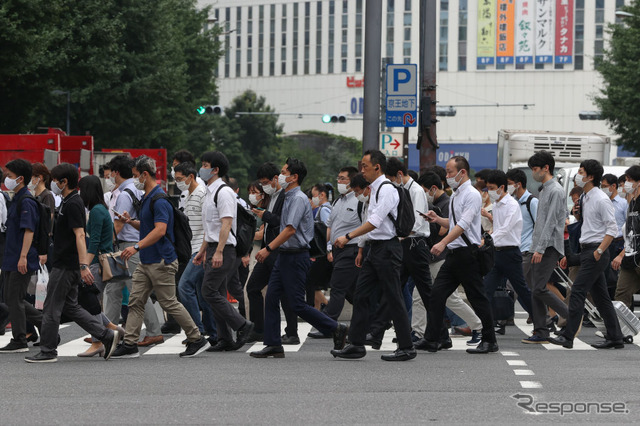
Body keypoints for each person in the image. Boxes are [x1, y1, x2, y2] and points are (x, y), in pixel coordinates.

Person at [111, 155, 209, 358]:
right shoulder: (148, 197)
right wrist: (130, 222)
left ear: (145, 174)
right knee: (136, 301)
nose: (135, 180)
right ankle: (130, 343)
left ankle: (196, 338)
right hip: (148, 261)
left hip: (161, 260)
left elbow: (160, 230)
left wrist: (136, 247)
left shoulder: (159, 199)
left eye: (137, 176)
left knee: (169, 302)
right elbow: (149, 226)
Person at [250, 157, 347, 359]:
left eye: (285, 172)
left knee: (296, 304)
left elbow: (290, 230)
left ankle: (335, 327)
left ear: (294, 177)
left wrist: (267, 248)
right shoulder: (287, 196)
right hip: (285, 256)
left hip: (295, 256)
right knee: (272, 298)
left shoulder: (297, 198)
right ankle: (273, 344)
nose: (281, 175)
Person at [25, 163, 120, 363]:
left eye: (54, 181)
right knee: (71, 307)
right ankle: (105, 335)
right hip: (67, 263)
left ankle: (48, 350)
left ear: (64, 182)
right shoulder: (69, 201)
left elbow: (79, 236)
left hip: (66, 265)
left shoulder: (74, 203)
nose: (52, 184)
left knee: (51, 308)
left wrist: (83, 265)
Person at [330, 150, 415, 361]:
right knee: (361, 296)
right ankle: (356, 344)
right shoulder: (373, 190)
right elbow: (369, 224)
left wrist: (348, 237)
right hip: (374, 248)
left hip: (388, 249)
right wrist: (361, 247)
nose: (362, 170)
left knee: (394, 297)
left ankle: (406, 347)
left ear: (377, 167)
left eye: (365, 166)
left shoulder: (387, 190)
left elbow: (375, 222)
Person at [422, 156, 498, 354]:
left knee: (477, 298)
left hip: (467, 254)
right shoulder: (456, 194)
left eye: (450, 172)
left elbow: (463, 225)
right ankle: (434, 339)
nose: (447, 177)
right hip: (455, 254)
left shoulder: (471, 194)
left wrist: (442, 242)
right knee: (436, 295)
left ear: (462, 172)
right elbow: (455, 222)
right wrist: (437, 219)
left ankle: (490, 340)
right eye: (447, 172)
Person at [549, 160, 624, 349]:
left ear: (590, 177)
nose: (577, 176)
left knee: (577, 292)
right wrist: (578, 216)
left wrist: (599, 251)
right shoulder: (585, 197)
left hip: (596, 251)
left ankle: (568, 336)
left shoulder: (600, 198)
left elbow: (612, 229)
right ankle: (615, 337)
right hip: (586, 250)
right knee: (601, 298)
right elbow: (590, 225)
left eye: (581, 172)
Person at [412, 172, 483, 346]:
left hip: (443, 256)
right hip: (433, 256)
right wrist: (434, 219)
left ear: (433, 188)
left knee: (451, 299)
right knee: (420, 297)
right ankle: (421, 333)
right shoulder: (443, 202)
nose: (423, 194)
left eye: (424, 191)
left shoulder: (448, 202)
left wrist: (435, 228)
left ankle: (478, 327)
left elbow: (451, 228)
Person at [194, 151, 254, 352]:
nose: (201, 168)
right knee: (217, 291)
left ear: (215, 169)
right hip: (213, 247)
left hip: (225, 249)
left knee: (208, 291)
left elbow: (226, 224)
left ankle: (242, 325)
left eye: (205, 164)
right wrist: (203, 251)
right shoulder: (210, 192)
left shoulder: (224, 192)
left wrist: (218, 251)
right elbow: (209, 227)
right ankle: (225, 338)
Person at [105, 154, 163, 347]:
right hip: (130, 246)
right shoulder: (135, 190)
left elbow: (118, 225)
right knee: (113, 289)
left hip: (127, 248)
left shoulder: (125, 193)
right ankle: (106, 331)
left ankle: (154, 331)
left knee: (137, 292)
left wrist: (104, 246)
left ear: (116, 172)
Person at [245, 162, 299, 344]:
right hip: (267, 249)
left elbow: (284, 223)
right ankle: (258, 328)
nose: (264, 186)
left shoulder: (286, 196)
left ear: (277, 178)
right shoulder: (272, 196)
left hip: (278, 249)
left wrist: (264, 215)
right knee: (253, 287)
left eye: (266, 182)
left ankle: (292, 332)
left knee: (284, 293)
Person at [522, 151, 569, 344]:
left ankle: (570, 314)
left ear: (546, 168)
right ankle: (541, 331)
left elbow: (551, 223)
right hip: (539, 245)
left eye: (535, 169)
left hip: (548, 246)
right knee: (535, 289)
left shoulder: (555, 190)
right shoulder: (544, 190)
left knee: (539, 288)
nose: (533, 173)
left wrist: (540, 249)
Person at [76, 175, 126, 357]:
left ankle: (98, 341)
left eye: (81, 190)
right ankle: (113, 329)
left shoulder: (96, 211)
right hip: (100, 261)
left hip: (97, 262)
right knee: (91, 302)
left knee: (91, 304)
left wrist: (85, 266)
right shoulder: (102, 209)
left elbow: (94, 241)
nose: (80, 193)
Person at [0, 159, 43, 353]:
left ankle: (19, 340)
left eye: (9, 176)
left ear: (20, 178)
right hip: (12, 257)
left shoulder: (26, 200)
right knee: (11, 298)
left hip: (20, 258)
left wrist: (23, 257)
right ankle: (45, 326)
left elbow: (29, 230)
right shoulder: (16, 198)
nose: (6, 179)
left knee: (14, 299)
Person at [174, 162, 218, 345]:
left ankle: (197, 331)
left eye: (179, 179)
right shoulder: (188, 195)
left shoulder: (201, 194)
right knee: (202, 293)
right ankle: (212, 333)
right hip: (193, 249)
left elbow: (209, 224)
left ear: (190, 177)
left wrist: (204, 250)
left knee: (184, 286)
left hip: (200, 250)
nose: (178, 183)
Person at [482, 170, 533, 325]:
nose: (489, 191)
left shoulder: (512, 205)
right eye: (488, 188)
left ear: (501, 187)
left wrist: (488, 240)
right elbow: (497, 227)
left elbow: (505, 229)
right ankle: (486, 325)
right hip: (496, 253)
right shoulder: (497, 205)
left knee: (522, 290)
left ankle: (542, 319)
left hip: (511, 253)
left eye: (492, 187)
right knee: (486, 290)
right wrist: (488, 237)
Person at [317, 166, 362, 324]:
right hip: (337, 250)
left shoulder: (359, 200)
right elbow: (330, 225)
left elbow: (366, 226)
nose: (339, 181)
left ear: (352, 181)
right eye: (338, 178)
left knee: (337, 286)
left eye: (343, 178)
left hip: (352, 249)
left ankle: (328, 323)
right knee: (351, 290)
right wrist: (328, 247)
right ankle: (373, 317)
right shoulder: (337, 201)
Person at [612, 165, 640, 308]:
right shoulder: (632, 203)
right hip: (630, 257)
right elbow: (630, 234)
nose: (627, 183)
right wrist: (623, 254)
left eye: (629, 180)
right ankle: (620, 330)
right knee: (621, 295)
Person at [601, 173, 627, 296]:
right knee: (604, 278)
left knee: (616, 279)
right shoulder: (602, 201)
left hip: (618, 242)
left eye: (605, 186)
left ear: (614, 186)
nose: (603, 189)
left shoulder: (623, 203)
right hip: (604, 242)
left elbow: (629, 225)